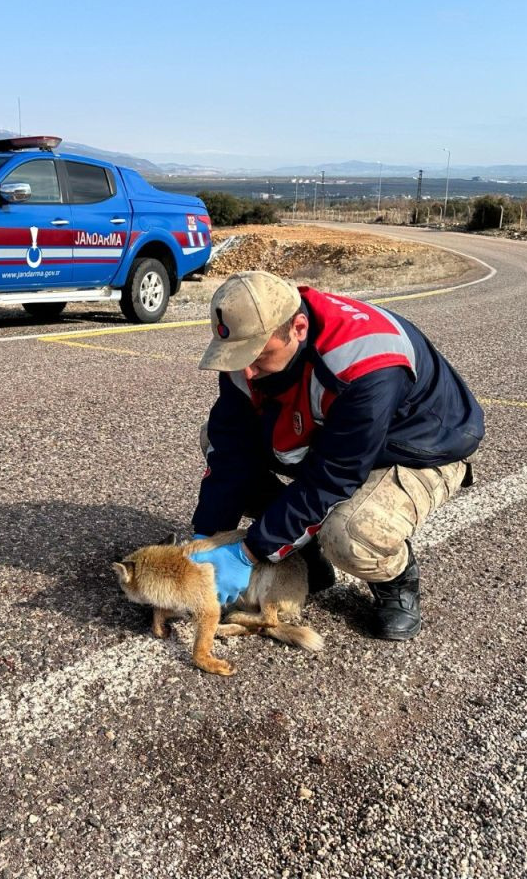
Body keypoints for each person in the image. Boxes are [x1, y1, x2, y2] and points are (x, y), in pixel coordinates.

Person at [189, 270, 483, 641]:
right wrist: (206, 537)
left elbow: (333, 476)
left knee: (351, 532)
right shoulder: (249, 354)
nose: (246, 370)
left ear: (297, 328)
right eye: (236, 356)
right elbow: (231, 446)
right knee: (215, 440)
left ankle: (396, 578)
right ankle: (304, 556)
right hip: (334, 433)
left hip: (417, 445)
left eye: (259, 355)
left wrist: (245, 555)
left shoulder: (365, 364)